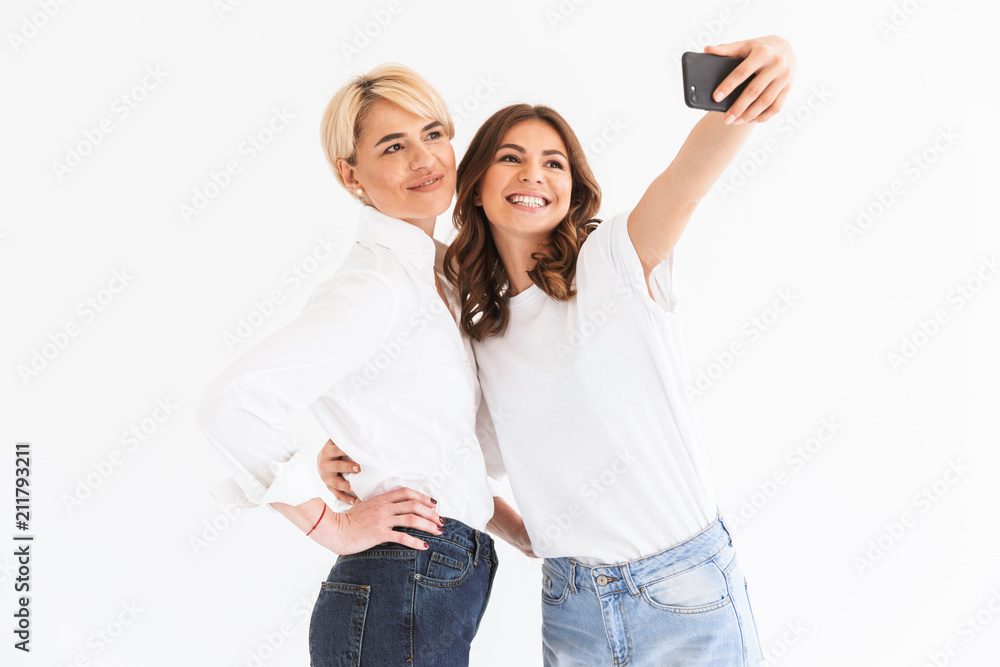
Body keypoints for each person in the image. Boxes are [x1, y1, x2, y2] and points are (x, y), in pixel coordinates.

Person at [320, 37, 794, 665]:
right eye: (512, 158)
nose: (534, 175)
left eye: (554, 163)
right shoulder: (482, 335)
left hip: (681, 593)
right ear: (477, 182)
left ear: (573, 187)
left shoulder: (617, 262)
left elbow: (684, 183)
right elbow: (453, 455)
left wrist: (759, 78)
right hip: (571, 607)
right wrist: (356, 450)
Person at [195, 63, 530, 667]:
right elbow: (232, 405)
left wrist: (516, 530)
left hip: (429, 581)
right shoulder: (379, 286)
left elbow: (432, 449)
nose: (425, 159)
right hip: (401, 585)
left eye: (433, 133)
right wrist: (333, 526)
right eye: (393, 146)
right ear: (351, 175)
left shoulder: (438, 279)